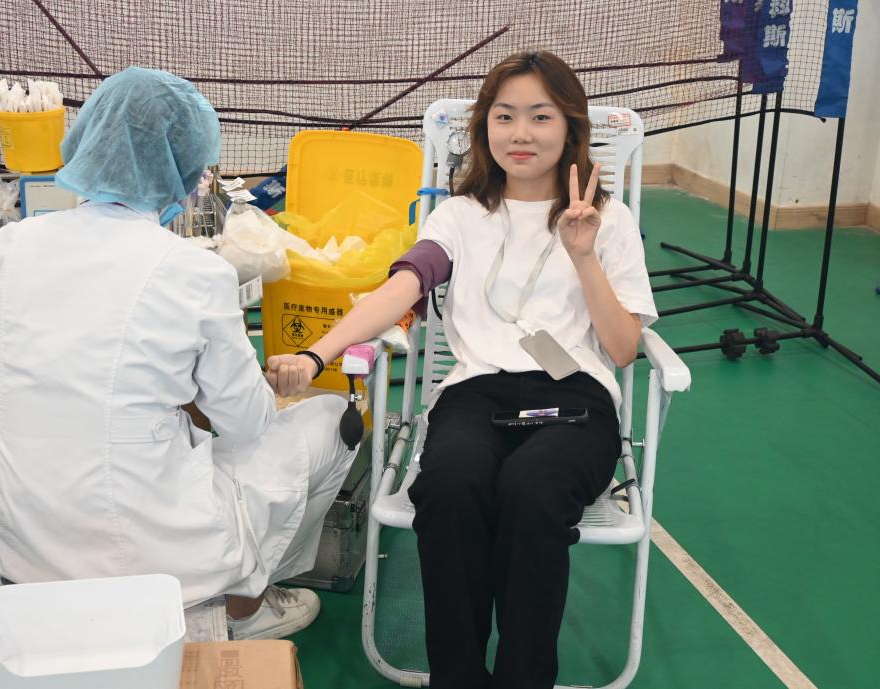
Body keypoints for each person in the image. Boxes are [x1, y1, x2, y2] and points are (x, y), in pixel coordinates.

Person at [267, 50, 658, 688]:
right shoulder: (458, 215)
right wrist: (317, 355)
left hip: (576, 401)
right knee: (449, 487)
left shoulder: (608, 221)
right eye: (504, 116)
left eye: (540, 116)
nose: (521, 133)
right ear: (484, 127)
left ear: (570, 126)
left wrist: (583, 254)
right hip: (474, 395)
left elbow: (621, 349)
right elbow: (401, 288)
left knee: (533, 491)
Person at [0, 67, 357, 640]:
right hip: (149, 554)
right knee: (331, 421)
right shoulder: (193, 270)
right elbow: (245, 424)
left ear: (85, 140)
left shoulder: (13, 243)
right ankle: (244, 608)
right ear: (184, 169)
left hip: (21, 546)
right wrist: (258, 382)